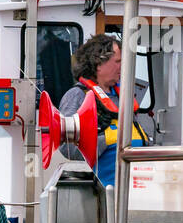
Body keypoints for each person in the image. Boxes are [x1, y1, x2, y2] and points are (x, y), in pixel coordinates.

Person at [58, 34, 145, 186]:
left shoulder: (123, 96)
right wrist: (107, 140)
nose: (122, 66)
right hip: (105, 191)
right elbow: (67, 148)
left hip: (138, 184)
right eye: (117, 61)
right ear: (98, 63)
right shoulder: (77, 96)